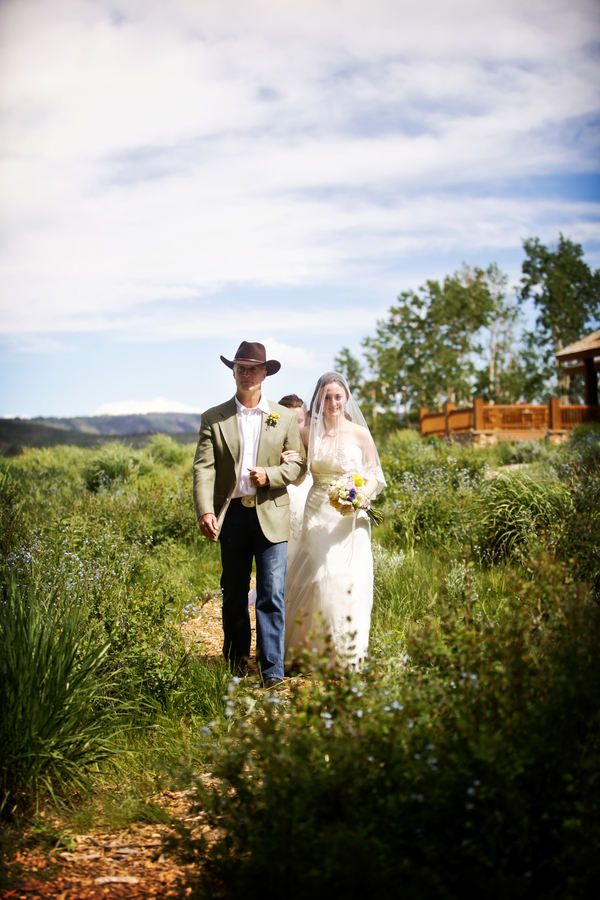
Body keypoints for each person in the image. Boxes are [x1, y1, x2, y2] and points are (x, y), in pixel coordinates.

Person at [193, 341, 307, 688]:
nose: (247, 374)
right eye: (241, 367)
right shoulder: (214, 418)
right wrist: (205, 510)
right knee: (234, 589)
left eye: (253, 368)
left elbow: (299, 465)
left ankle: (272, 669)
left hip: (272, 512)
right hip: (233, 518)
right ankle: (236, 661)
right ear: (233, 372)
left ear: (264, 374)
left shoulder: (283, 416)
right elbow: (203, 469)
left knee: (271, 591)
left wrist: (270, 476)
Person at [284, 372, 385, 667]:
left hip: (351, 518)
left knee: (349, 578)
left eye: (337, 397)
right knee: (318, 576)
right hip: (317, 511)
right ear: (319, 400)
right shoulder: (307, 433)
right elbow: (301, 475)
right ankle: (311, 653)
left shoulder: (360, 434)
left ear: (346, 399)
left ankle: (347, 655)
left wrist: (362, 495)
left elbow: (375, 475)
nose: (333, 402)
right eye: (327, 397)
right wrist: (288, 461)